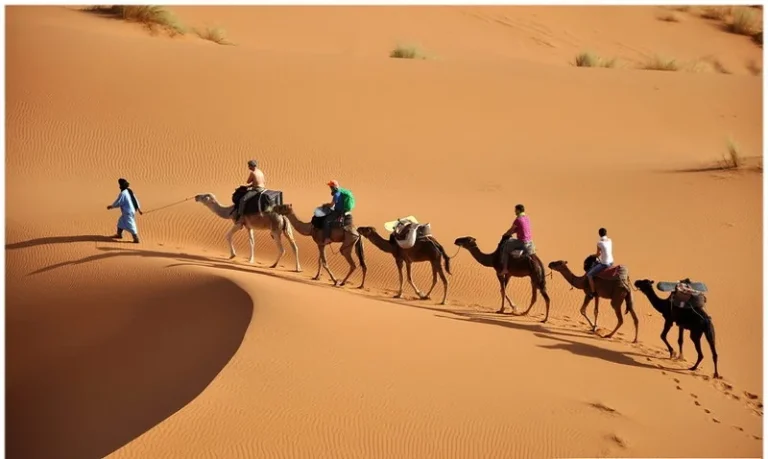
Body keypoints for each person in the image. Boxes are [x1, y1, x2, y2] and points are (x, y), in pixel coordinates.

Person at [499, 204, 535, 276]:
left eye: (515, 210)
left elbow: (511, 230)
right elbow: (520, 229)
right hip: (530, 241)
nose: (515, 211)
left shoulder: (518, 219)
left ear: (518, 210)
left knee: (505, 248)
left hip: (522, 242)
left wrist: (505, 234)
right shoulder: (527, 218)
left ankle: (505, 269)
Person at [107, 178, 142, 243]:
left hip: (128, 212)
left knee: (131, 224)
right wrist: (139, 209)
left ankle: (136, 238)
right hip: (132, 210)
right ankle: (119, 235)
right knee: (120, 222)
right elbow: (135, 200)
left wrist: (112, 206)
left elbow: (119, 202)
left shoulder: (123, 193)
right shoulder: (129, 191)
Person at [322, 179, 353, 244]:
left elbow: (331, 205)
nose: (330, 188)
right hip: (343, 210)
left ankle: (327, 238)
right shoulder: (341, 190)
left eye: (330, 187)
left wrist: (325, 205)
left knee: (326, 221)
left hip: (339, 212)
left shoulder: (336, 194)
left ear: (333, 187)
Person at [586, 227, 613, 298]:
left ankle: (593, 292)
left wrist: (592, 255)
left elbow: (598, 254)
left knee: (589, 275)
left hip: (605, 264)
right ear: (606, 233)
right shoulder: (610, 240)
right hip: (611, 262)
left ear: (599, 234)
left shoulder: (599, 243)